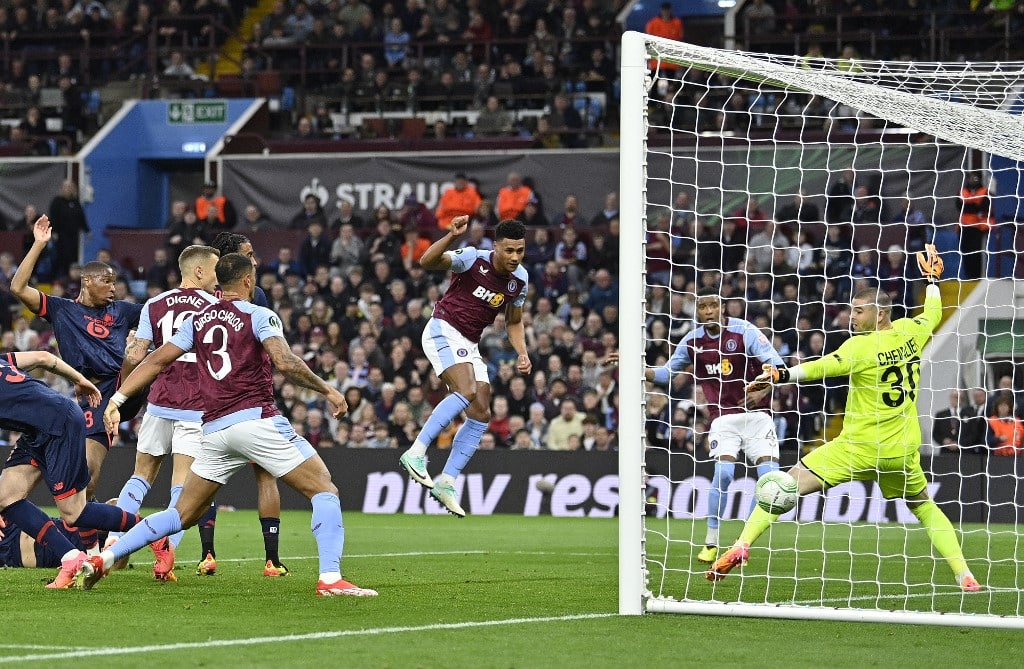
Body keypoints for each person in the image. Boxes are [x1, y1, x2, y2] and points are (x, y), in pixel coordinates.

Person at [83, 253, 377, 597]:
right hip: (256, 420)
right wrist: (327, 388)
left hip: (215, 431)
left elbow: (156, 358)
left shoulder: (197, 320)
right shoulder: (260, 315)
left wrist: (117, 400)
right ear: (248, 280)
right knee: (324, 490)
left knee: (180, 514)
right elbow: (285, 361)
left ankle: (105, 557)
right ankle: (330, 578)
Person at [707, 245, 981, 593]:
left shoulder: (859, 348)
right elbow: (932, 311)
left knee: (786, 483)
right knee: (925, 507)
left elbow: (823, 366)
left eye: (859, 310)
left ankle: (742, 544)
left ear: (880, 314)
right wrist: (931, 280)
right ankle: (964, 574)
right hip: (901, 448)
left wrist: (780, 376)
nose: (852, 316)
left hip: (857, 446)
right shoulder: (914, 332)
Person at [629, 285, 785, 564]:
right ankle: (711, 541)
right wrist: (633, 366)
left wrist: (762, 391)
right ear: (697, 310)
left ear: (723, 306)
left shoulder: (744, 331)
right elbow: (666, 374)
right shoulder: (692, 341)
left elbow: (775, 364)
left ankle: (742, 542)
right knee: (724, 474)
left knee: (769, 481)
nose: (709, 311)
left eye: (714, 305)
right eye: (703, 307)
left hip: (758, 417)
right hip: (723, 419)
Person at [398, 216, 531, 517]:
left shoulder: (519, 280)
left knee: (481, 411)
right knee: (468, 389)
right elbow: (427, 261)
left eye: (520, 251)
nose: (514, 257)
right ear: (495, 246)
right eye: (508, 250)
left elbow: (513, 320)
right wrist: (450, 237)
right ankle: (416, 452)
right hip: (442, 328)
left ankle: (447, 482)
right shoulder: (472, 259)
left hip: (469, 342)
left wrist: (522, 352)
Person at [0, 350, 168, 588]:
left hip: (58, 424)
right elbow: (44, 358)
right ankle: (72, 560)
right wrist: (79, 379)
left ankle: (154, 532)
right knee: (6, 496)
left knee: (73, 512)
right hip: (41, 426)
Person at [10, 215, 144, 498]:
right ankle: (98, 521)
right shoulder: (61, 310)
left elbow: (160, 313)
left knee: (137, 354)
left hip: (121, 386)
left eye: (114, 282)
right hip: (91, 394)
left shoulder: (122, 311)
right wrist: (38, 245)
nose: (113, 287)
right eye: (106, 281)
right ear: (86, 281)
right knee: (86, 475)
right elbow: (18, 288)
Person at [47, 180, 90, 277]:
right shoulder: (57, 201)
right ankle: (57, 277)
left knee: (72, 256)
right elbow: (53, 217)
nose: (69, 189)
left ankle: (72, 276)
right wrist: (54, 231)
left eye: (71, 187)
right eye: (67, 187)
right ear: (62, 188)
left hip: (74, 235)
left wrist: (87, 230)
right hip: (61, 235)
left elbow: (81, 217)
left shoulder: (76, 202)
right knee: (61, 256)